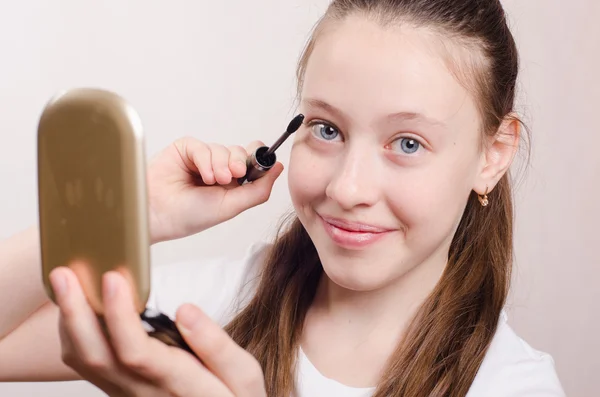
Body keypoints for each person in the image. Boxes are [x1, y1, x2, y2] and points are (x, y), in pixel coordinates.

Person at [0, 0, 566, 396]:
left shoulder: (514, 385)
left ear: (493, 154)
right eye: (326, 129)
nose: (346, 188)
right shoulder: (220, 303)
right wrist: (135, 215)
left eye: (408, 143)